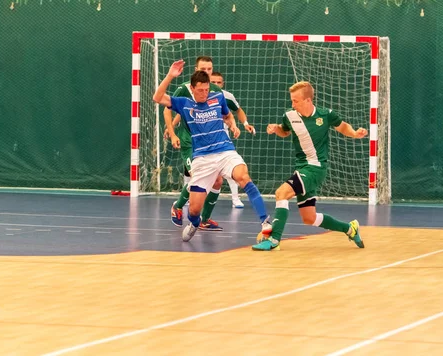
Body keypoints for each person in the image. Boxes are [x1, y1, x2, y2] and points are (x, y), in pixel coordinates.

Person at [154, 60, 271, 242]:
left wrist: (233, 125)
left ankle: (265, 223)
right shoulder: (184, 103)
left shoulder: (218, 98)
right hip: (202, 158)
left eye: (206, 90)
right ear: (192, 89)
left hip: (225, 152)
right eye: (200, 90)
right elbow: (157, 98)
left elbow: (228, 114)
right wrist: (170, 75)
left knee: (244, 177)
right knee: (193, 210)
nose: (204, 93)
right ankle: (194, 222)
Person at [252, 81, 367, 251]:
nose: (292, 104)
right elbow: (285, 131)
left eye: (296, 101)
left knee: (281, 193)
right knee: (309, 218)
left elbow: (342, 127)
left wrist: (355, 133)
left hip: (315, 168)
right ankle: (350, 228)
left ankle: (274, 240)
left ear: (308, 100)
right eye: (291, 100)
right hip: (302, 168)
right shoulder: (289, 116)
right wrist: (276, 129)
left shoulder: (325, 115)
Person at [209, 71, 255, 209]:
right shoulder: (198, 95)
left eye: (219, 82)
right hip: (202, 138)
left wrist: (245, 124)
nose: (216, 84)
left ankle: (235, 199)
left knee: (231, 168)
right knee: (195, 170)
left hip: (222, 138)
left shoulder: (227, 96)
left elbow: (238, 110)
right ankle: (187, 200)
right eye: (213, 82)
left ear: (222, 84)